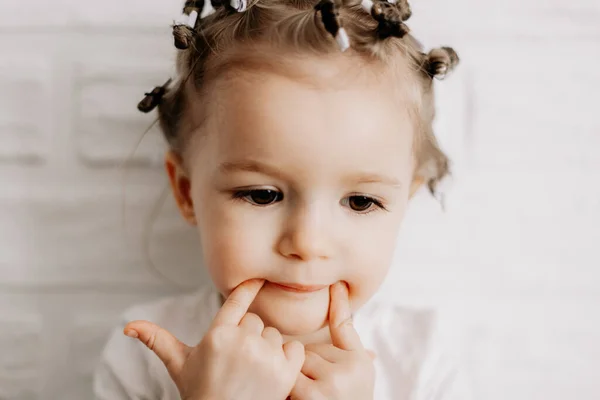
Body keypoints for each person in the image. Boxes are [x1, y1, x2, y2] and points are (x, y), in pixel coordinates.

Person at [94, 0, 469, 398]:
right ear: (187, 192)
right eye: (263, 195)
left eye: (361, 201)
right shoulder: (147, 356)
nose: (307, 243)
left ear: (404, 204)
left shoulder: (423, 359)